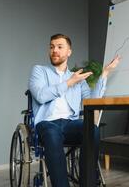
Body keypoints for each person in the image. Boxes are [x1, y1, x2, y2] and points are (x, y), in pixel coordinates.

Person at [28, 33, 120, 187]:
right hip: (47, 123)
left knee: (93, 130)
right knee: (52, 132)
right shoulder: (39, 71)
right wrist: (69, 83)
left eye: (59, 47)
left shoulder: (77, 77)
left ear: (69, 52)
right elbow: (41, 95)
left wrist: (105, 73)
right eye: (51, 47)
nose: (54, 50)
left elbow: (91, 101)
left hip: (70, 123)